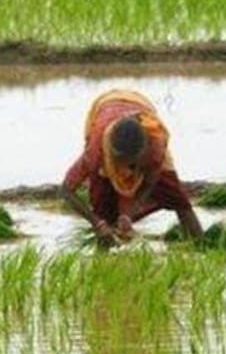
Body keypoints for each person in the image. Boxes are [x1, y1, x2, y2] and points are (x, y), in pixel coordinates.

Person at [61, 89, 203, 245]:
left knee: (177, 198)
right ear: (111, 153)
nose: (126, 170)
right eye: (121, 162)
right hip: (105, 107)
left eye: (132, 164)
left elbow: (149, 182)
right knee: (103, 209)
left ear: (142, 153)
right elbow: (66, 190)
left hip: (140, 106)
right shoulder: (96, 153)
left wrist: (128, 214)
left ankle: (201, 246)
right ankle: (103, 257)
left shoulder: (154, 146)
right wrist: (97, 223)